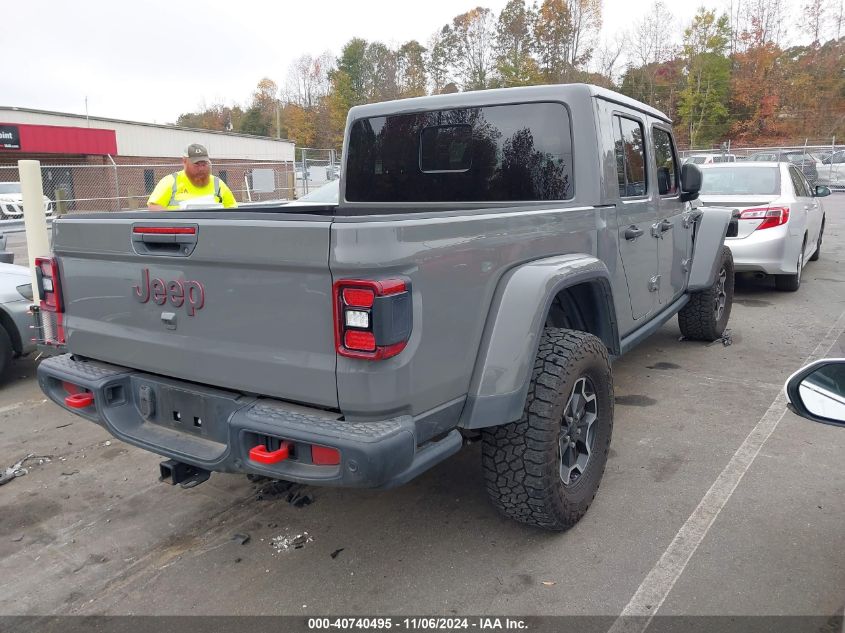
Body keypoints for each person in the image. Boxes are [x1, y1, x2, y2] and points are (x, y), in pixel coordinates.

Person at [147, 144, 237, 210]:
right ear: (184, 161)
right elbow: (154, 206)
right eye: (196, 164)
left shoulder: (218, 183)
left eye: (204, 164)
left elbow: (232, 208)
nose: (201, 169)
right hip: (182, 232)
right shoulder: (170, 181)